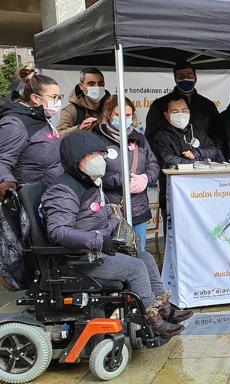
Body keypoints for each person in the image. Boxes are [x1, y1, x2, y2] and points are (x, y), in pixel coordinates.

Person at [41, 131, 192, 336]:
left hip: (97, 249)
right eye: (93, 155)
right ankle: (152, 318)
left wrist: (114, 224)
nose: (100, 160)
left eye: (101, 155)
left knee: (144, 257)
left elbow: (103, 214)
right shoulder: (63, 190)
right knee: (135, 267)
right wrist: (100, 240)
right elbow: (58, 231)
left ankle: (164, 308)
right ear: (77, 158)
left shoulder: (90, 181)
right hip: (79, 258)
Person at [93, 95, 160, 252]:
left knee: (139, 253)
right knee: (114, 257)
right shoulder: (97, 137)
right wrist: (123, 181)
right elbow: (95, 173)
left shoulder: (139, 138)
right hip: (110, 209)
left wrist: (145, 178)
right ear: (109, 114)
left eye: (128, 115)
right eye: (118, 114)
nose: (123, 118)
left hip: (138, 208)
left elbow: (154, 165)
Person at [152, 95, 224, 221]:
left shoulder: (198, 132)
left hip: (202, 192)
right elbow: (168, 160)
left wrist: (196, 153)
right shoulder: (161, 136)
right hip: (174, 194)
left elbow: (214, 151)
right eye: (175, 112)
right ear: (166, 114)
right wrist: (197, 163)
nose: (181, 114)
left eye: (184, 111)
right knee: (175, 235)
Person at [0, 75, 64, 202]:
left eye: (59, 97)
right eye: (53, 97)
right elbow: (2, 161)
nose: (57, 102)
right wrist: (7, 184)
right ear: (35, 98)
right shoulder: (16, 124)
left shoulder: (41, 119)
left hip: (51, 194)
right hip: (32, 200)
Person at [145, 61, 219, 147]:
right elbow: (150, 135)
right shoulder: (159, 104)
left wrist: (210, 154)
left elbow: (216, 135)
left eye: (189, 75)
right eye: (181, 76)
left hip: (201, 155)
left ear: (195, 78)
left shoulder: (208, 106)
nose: (185, 78)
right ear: (175, 79)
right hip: (169, 156)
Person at [57, 67, 110, 137]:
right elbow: (59, 135)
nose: (97, 87)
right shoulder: (71, 110)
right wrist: (79, 128)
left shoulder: (111, 107)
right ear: (81, 86)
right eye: (91, 84)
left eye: (100, 84)